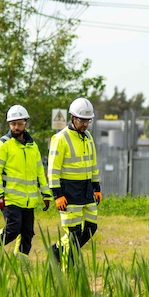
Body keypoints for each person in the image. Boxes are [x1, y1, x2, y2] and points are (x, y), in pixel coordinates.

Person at [0, 105, 51, 255]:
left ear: (26, 123)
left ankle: (20, 263)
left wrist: (46, 194)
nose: (16, 127)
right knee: (12, 229)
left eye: (20, 123)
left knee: (27, 234)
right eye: (13, 124)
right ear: (9, 124)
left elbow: (39, 172)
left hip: (29, 199)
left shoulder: (32, 146)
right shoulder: (2, 145)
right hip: (9, 199)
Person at [48, 97, 100, 263]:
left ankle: (58, 252)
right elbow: (53, 170)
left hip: (87, 191)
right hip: (69, 193)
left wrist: (96, 187)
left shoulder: (88, 137)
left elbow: (93, 164)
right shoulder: (60, 138)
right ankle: (64, 261)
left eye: (88, 121)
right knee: (74, 233)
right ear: (72, 118)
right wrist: (57, 195)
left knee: (91, 228)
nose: (85, 124)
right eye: (82, 120)